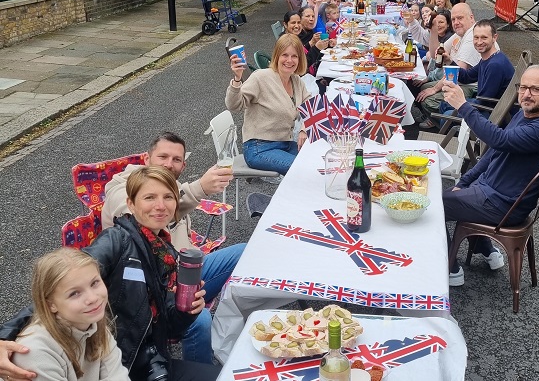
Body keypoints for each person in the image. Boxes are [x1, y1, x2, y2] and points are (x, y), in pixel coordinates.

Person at [1, 166, 221, 381]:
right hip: (123, 358)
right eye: (150, 197)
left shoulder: (165, 251)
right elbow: (61, 285)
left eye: (168, 197)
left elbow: (168, 326)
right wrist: (4, 335)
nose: (160, 206)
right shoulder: (117, 240)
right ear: (131, 204)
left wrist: (187, 311)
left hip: (148, 358)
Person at [100, 132, 246, 365]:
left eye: (176, 159)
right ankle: (199, 369)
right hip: (152, 286)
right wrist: (199, 188)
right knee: (201, 320)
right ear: (147, 160)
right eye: (163, 157)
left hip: (184, 269)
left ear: (183, 164)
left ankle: (243, 333)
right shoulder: (123, 186)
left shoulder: (173, 186)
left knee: (245, 252)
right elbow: (133, 219)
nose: (169, 164)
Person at [440, 65, 539, 286]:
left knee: (433, 205)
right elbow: (496, 151)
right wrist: (466, 180)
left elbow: (499, 140)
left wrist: (463, 105)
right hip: (489, 192)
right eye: (523, 87)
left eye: (536, 89)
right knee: (450, 192)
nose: (527, 94)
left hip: (504, 206)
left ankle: (451, 269)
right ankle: (484, 247)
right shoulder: (525, 113)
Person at [11, 248, 129, 381]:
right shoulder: (35, 353)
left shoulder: (95, 326)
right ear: (51, 304)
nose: (92, 298)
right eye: (74, 293)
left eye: (94, 283)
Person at [226, 34, 311, 176]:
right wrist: (237, 78)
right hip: (259, 149)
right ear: (277, 56)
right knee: (302, 170)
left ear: (300, 59)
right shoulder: (261, 77)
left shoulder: (296, 80)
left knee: (316, 162)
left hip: (285, 143)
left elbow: (313, 108)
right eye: (285, 55)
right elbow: (234, 105)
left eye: (294, 56)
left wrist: (304, 128)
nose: (289, 60)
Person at [412, 3, 488, 126]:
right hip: (460, 79)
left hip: (470, 87)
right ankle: (438, 119)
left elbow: (457, 74)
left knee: (428, 100)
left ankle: (441, 123)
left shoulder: (473, 36)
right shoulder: (460, 33)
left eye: (460, 18)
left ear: (471, 17)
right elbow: (435, 54)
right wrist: (433, 31)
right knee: (422, 87)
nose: (456, 22)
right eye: (453, 19)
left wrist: (435, 88)